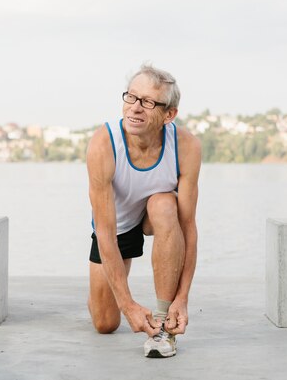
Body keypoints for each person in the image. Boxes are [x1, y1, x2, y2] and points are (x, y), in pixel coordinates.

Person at [86, 64, 201, 358]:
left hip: (155, 215)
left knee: (164, 205)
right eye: (131, 98)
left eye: (148, 102)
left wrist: (182, 298)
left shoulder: (186, 146)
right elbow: (105, 233)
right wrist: (128, 306)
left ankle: (164, 324)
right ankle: (103, 294)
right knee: (105, 323)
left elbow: (188, 227)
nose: (135, 108)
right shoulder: (103, 144)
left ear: (169, 114)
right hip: (118, 224)